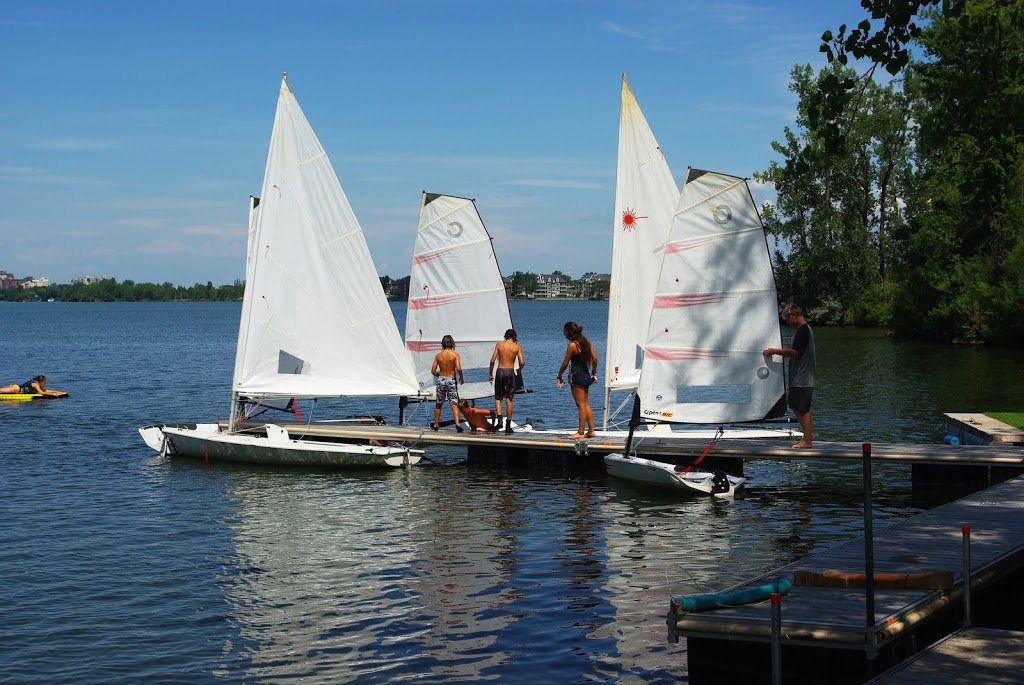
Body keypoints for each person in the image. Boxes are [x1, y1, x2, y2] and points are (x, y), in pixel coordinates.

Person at [763, 304, 816, 448]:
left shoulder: (804, 331)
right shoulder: (801, 331)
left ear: (794, 316)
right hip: (797, 377)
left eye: (788, 320)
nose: (788, 323)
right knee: (794, 404)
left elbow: (795, 352)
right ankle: (808, 433)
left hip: (804, 378)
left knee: (803, 408)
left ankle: (807, 441)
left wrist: (775, 351)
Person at [556, 321, 598, 439]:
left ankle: (580, 432)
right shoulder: (587, 342)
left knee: (580, 406)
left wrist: (559, 376)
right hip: (586, 376)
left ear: (568, 332)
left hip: (577, 377)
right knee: (585, 404)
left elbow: (565, 363)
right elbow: (595, 359)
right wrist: (594, 373)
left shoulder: (572, 345)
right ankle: (591, 431)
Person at [489, 328, 525, 434]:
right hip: (510, 372)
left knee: (498, 397)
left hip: (500, 371)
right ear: (514, 337)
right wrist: (519, 369)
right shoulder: (517, 347)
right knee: (509, 399)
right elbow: (522, 362)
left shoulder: (499, 345)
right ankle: (508, 425)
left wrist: (491, 373)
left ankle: (500, 420)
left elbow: (492, 360)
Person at [431, 334, 465, 432]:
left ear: (443, 344)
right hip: (451, 379)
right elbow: (458, 368)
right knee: (454, 403)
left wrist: (440, 375)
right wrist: (462, 378)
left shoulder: (438, 356)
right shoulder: (455, 355)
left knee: (439, 403)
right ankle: (458, 425)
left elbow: (433, 371)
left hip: (441, 379)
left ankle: (436, 425)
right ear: (452, 343)